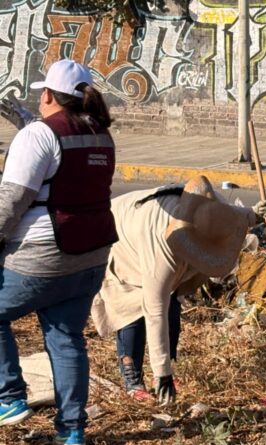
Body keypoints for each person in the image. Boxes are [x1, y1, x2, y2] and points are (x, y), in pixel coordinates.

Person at [0, 59, 118, 445]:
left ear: (49, 94)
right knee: (66, 337)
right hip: (91, 256)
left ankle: (10, 399)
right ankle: (71, 431)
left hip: (43, 256)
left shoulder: (38, 134)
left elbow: (13, 199)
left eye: (42, 94)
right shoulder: (101, 134)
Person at [91, 176, 266, 404]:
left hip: (145, 225)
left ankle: (170, 365)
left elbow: (236, 217)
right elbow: (154, 310)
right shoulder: (163, 248)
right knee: (132, 310)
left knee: (172, 306)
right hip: (119, 235)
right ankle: (133, 381)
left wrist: (256, 214)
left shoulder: (211, 208)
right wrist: (161, 374)